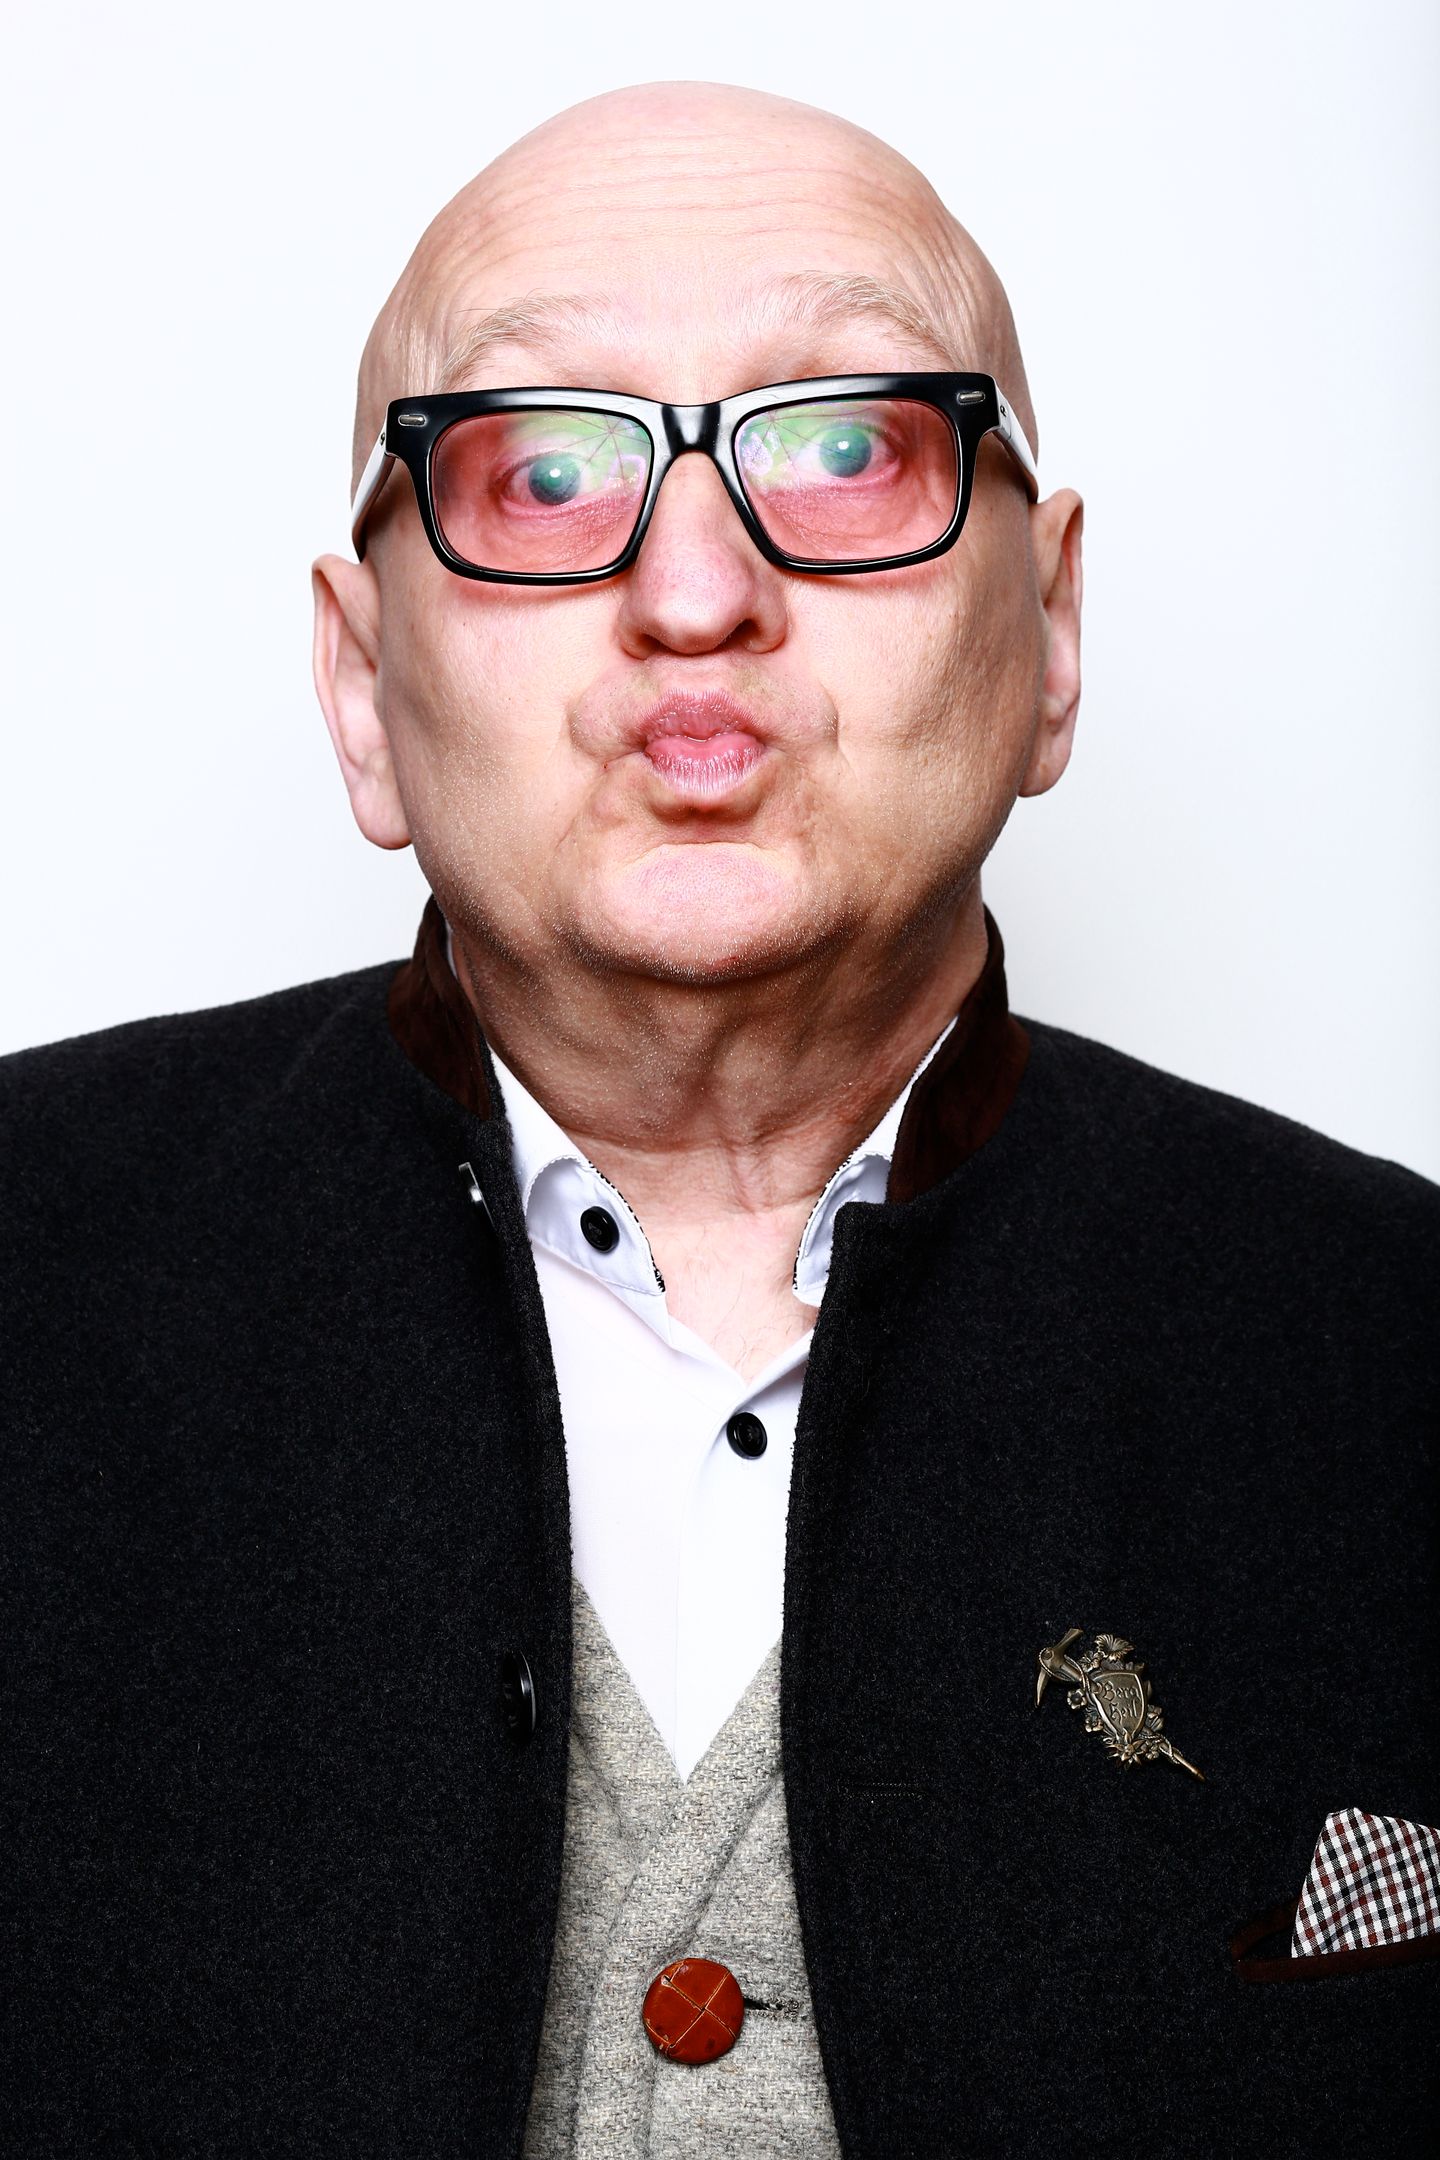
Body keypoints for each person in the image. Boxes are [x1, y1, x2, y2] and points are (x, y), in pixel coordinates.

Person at [2, 78, 1435, 2160]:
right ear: (360, 687)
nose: (695, 592)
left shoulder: (1393, 1339)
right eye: (540, 469)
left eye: (848, 448)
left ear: (1050, 631)